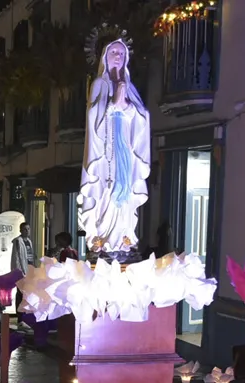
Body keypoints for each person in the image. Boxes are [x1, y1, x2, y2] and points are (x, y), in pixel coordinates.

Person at [77, 38, 152, 255]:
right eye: (113, 52)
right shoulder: (99, 84)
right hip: (105, 154)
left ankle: (123, 237)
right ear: (105, 57)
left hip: (125, 154)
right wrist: (113, 105)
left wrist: (125, 104)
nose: (118, 56)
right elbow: (93, 114)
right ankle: (102, 236)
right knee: (105, 194)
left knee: (124, 196)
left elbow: (142, 116)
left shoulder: (130, 88)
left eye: (121, 53)